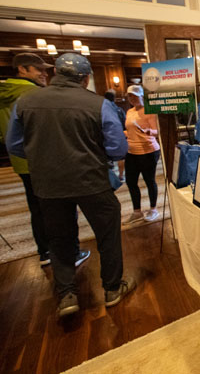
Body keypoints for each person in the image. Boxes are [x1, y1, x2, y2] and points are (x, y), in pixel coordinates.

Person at [6, 53, 134, 317]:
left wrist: (43, 156)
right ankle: (112, 288)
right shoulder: (99, 104)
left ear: (55, 73)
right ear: (85, 78)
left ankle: (66, 295)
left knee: (58, 239)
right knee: (107, 235)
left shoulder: (25, 102)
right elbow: (118, 148)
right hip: (92, 180)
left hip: (48, 183)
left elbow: (14, 145)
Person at [0, 53, 90, 267]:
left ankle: (45, 251)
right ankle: (68, 253)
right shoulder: (33, 95)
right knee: (61, 209)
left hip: (23, 161)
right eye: (38, 69)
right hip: (45, 161)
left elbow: (11, 139)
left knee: (38, 208)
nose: (44, 74)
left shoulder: (6, 93)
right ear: (22, 69)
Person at [122, 84, 160, 224]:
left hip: (148, 151)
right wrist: (123, 133)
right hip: (131, 151)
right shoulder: (129, 112)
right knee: (131, 181)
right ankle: (137, 211)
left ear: (141, 96)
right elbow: (130, 130)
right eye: (130, 96)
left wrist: (149, 131)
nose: (132, 99)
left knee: (149, 181)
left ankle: (153, 209)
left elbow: (157, 131)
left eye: (135, 96)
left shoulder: (150, 111)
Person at [104, 88, 126, 181]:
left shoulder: (102, 110)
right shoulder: (119, 110)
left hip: (107, 136)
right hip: (120, 134)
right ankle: (121, 175)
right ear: (114, 98)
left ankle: (111, 177)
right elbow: (124, 122)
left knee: (108, 159)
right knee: (121, 157)